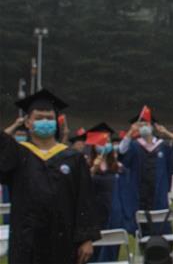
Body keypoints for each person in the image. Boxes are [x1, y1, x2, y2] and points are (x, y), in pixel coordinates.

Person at [0, 89, 99, 264]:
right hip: (27, 240)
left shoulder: (73, 158)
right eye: (38, 118)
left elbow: (84, 199)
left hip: (64, 240)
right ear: (28, 123)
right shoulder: (18, 155)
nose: (45, 121)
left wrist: (86, 238)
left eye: (49, 118)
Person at [117, 109, 173, 235]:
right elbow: (122, 152)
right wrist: (130, 132)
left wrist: (165, 132)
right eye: (141, 125)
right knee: (142, 225)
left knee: (161, 223)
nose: (144, 127)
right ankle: (145, 246)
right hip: (140, 191)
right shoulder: (134, 146)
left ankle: (162, 247)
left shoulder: (163, 146)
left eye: (146, 124)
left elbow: (171, 165)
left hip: (159, 190)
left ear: (152, 126)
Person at [87, 123, 134, 262]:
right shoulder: (85, 164)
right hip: (94, 213)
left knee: (112, 249)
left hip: (113, 213)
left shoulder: (118, 167)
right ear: (94, 145)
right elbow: (80, 187)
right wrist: (93, 169)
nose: (105, 144)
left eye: (108, 141)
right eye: (102, 141)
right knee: (93, 252)